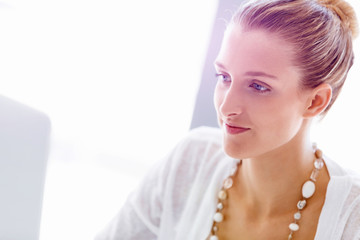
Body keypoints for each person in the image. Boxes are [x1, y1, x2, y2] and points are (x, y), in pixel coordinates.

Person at [95, 0, 360, 239]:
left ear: (315, 102)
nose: (226, 107)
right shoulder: (191, 161)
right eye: (224, 77)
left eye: (257, 86)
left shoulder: (352, 218)